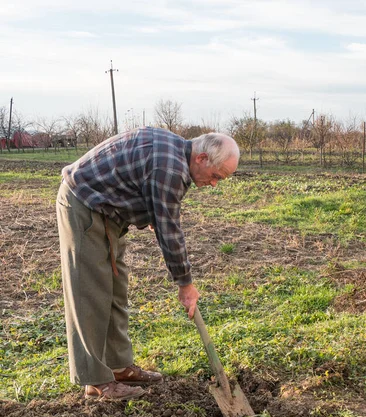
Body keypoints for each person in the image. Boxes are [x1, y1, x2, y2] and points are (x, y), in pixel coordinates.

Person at [56, 127, 240, 401]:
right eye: (216, 176)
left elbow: (147, 190)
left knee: (115, 289)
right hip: (84, 204)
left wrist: (151, 210)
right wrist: (185, 285)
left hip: (110, 212)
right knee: (90, 293)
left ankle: (118, 366)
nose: (214, 184)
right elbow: (170, 231)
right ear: (201, 158)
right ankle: (95, 381)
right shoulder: (171, 169)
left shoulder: (177, 155)